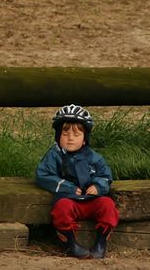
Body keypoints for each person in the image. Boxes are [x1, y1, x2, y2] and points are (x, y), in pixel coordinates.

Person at [35, 104, 120, 259]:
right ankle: (70, 244)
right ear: (58, 136)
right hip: (70, 200)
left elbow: (106, 176)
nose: (70, 138)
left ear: (84, 139)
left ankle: (101, 243)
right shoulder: (54, 155)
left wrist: (97, 186)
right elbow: (43, 175)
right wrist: (66, 187)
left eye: (76, 134)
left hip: (90, 199)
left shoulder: (93, 157)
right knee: (61, 208)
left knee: (107, 205)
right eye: (65, 133)